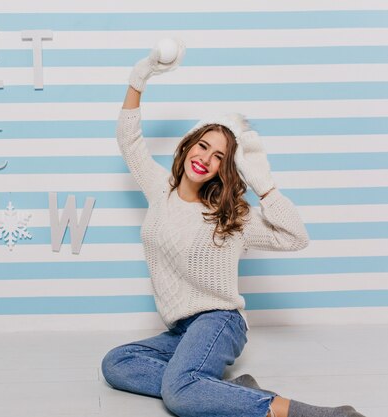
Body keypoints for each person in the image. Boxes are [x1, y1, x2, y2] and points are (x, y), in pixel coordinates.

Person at [100, 40, 365, 417]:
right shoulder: (160, 190)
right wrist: (140, 76)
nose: (205, 158)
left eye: (219, 156)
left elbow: (296, 237)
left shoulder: (231, 216)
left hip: (219, 321)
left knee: (178, 395)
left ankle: (311, 413)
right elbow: (129, 141)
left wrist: (263, 183)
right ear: (188, 145)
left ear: (225, 169)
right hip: (180, 330)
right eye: (202, 146)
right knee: (117, 363)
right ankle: (216, 390)